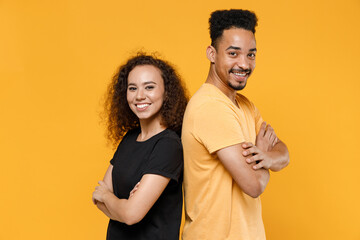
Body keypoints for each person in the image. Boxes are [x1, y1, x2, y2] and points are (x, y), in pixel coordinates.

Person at [181, 9, 290, 240]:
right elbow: (254, 185)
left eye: (251, 54)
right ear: (212, 53)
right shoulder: (209, 107)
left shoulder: (245, 106)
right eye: (233, 53)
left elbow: (284, 152)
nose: (244, 64)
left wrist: (266, 157)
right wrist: (266, 161)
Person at [92, 53, 188, 240]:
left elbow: (131, 215)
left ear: (166, 92)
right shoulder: (130, 138)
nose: (139, 96)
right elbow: (97, 199)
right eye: (132, 88)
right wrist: (124, 204)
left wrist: (110, 198)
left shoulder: (169, 145)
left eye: (149, 87)